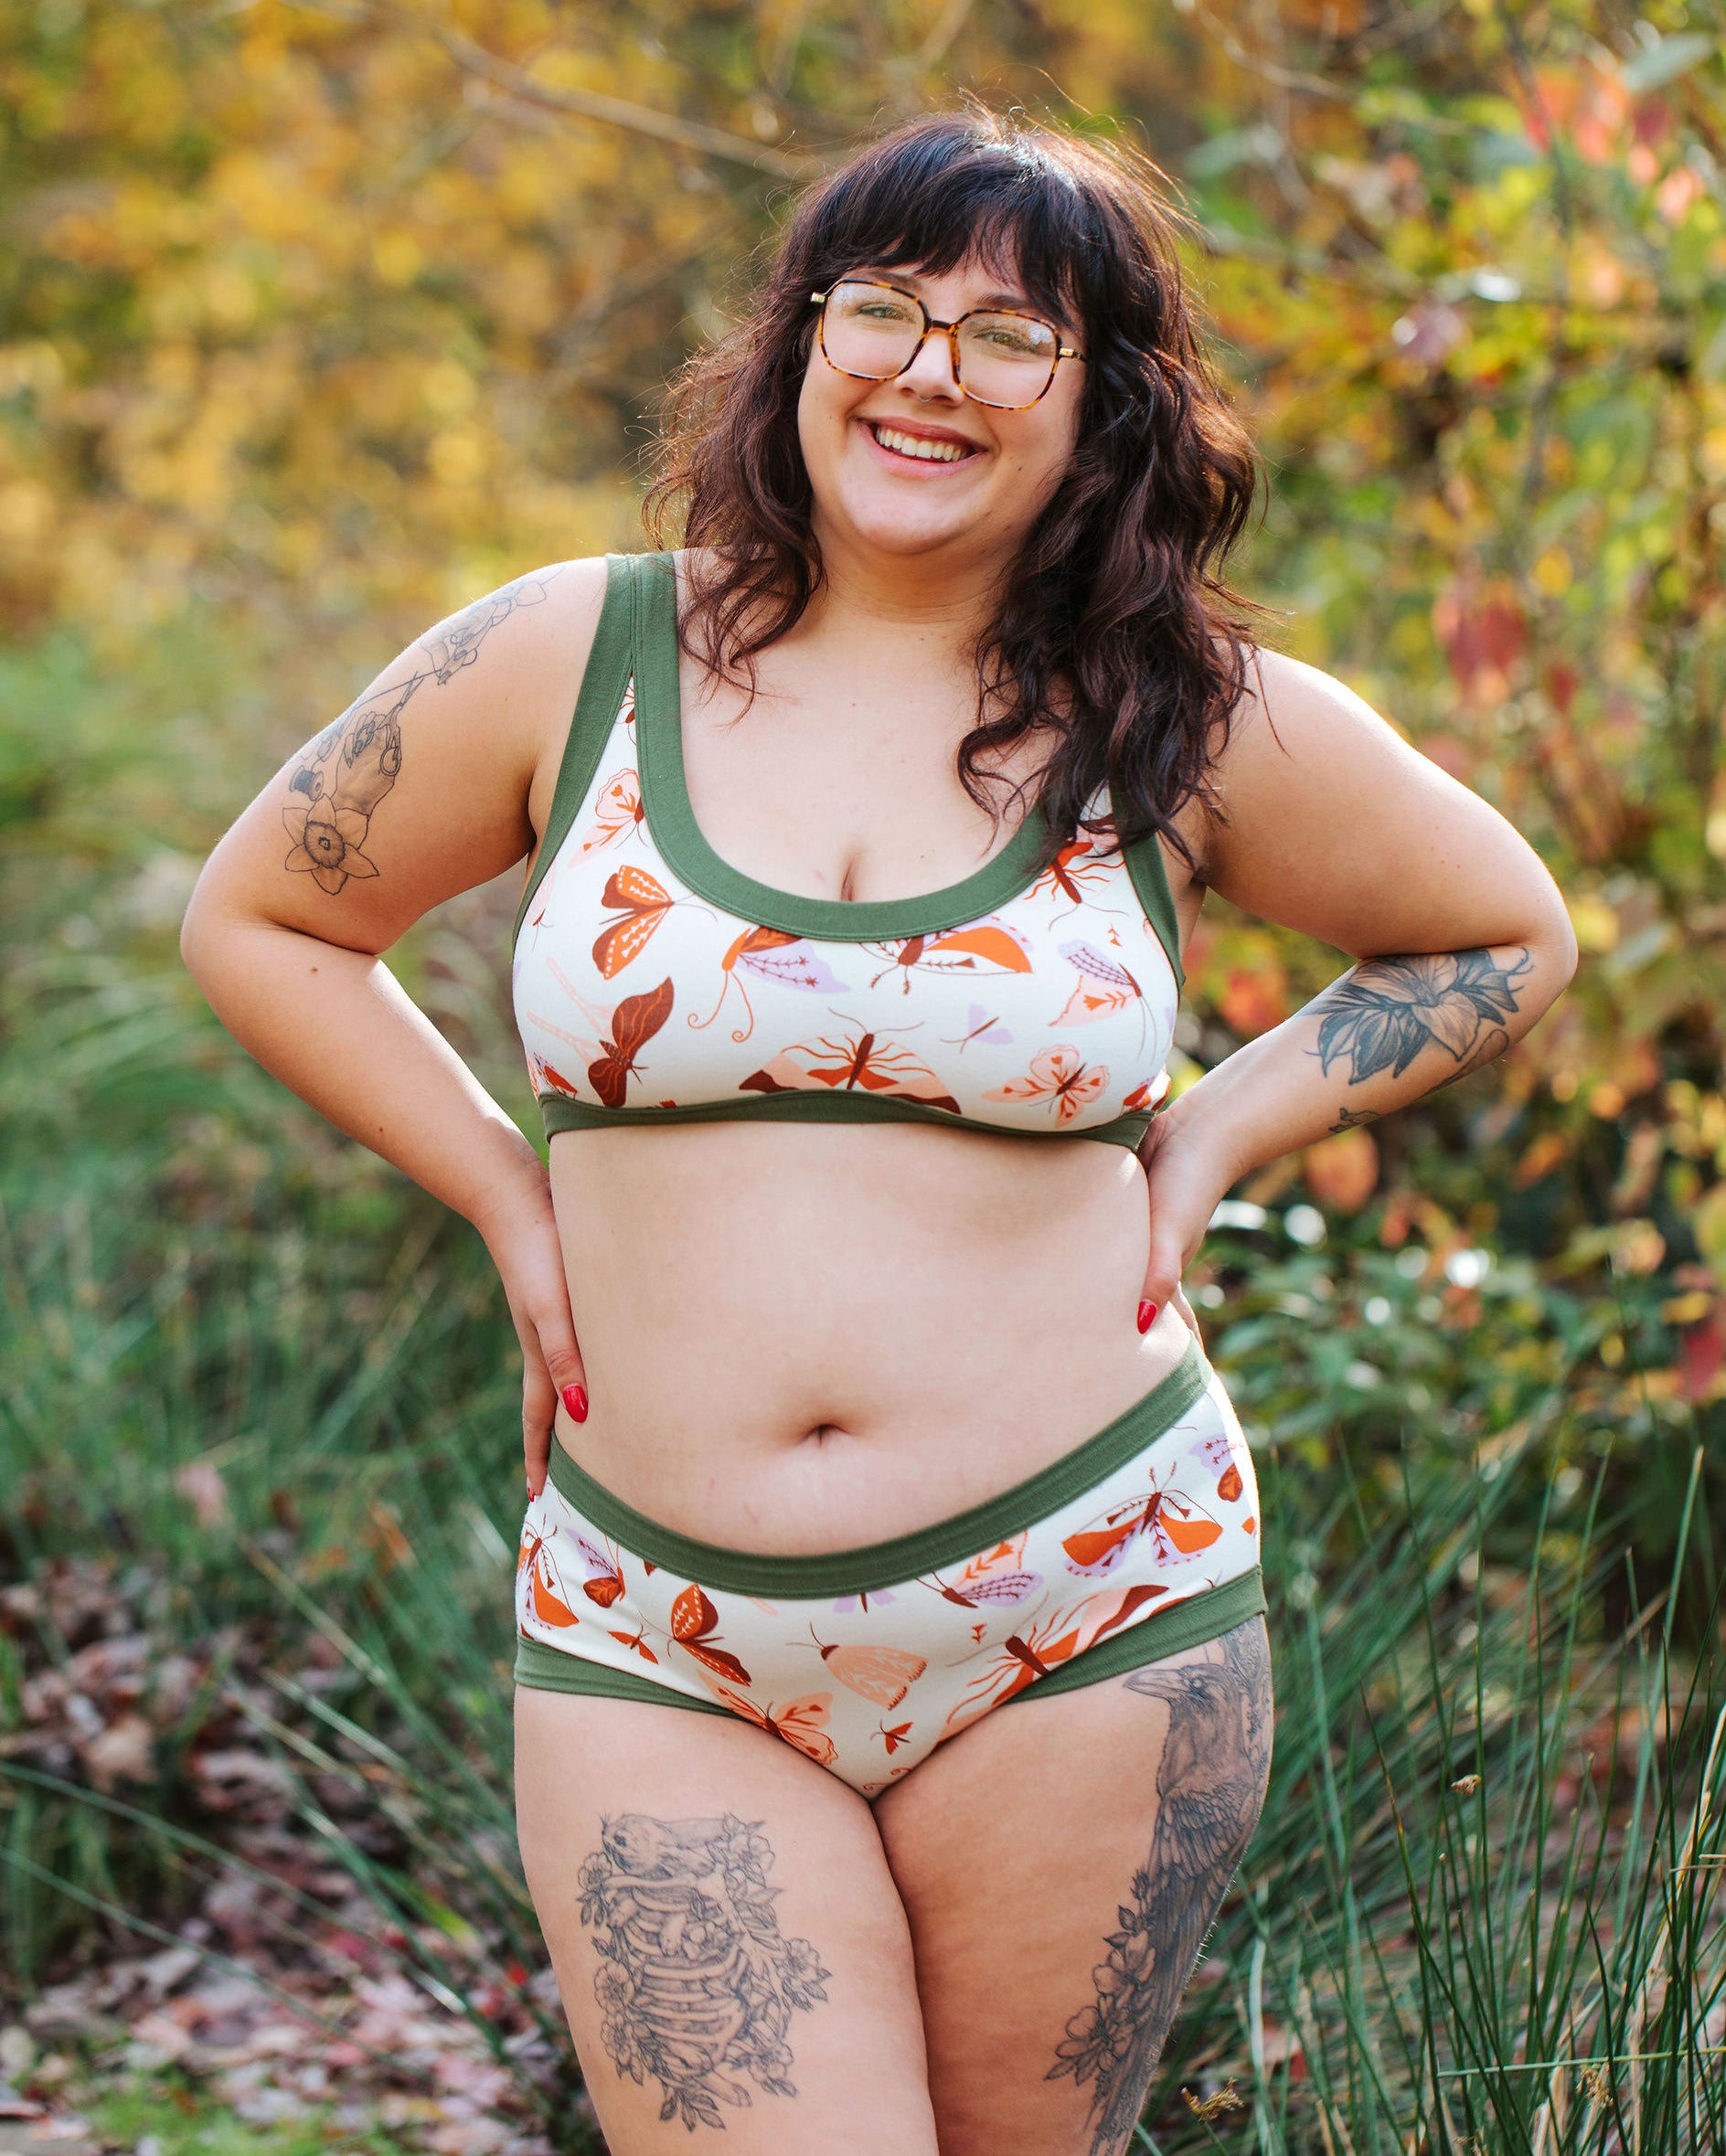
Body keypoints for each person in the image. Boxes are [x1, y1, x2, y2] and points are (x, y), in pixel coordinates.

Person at [181, 108, 1577, 2156]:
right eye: (883, 309)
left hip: (1089, 1609)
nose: (929, 370)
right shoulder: (578, 653)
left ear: (1098, 408)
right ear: (797, 342)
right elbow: (268, 913)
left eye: (1011, 337)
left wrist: (1206, 1143)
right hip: (661, 1635)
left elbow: (1497, 930)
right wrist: (502, 1187)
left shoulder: (1173, 712)